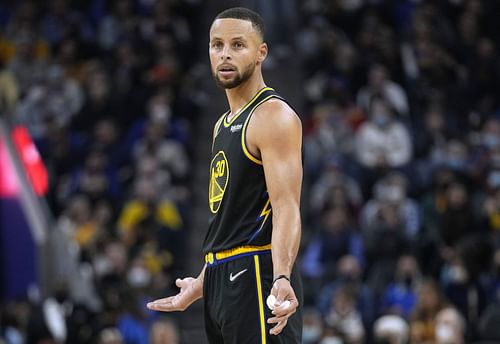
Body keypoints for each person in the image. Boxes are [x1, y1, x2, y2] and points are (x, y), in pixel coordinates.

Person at [147, 7, 303, 343]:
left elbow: (287, 206)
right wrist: (204, 279)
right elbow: (231, 216)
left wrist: (282, 276)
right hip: (221, 279)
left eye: (237, 45)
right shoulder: (222, 125)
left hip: (258, 276)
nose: (225, 54)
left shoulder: (273, 116)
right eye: (217, 45)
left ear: (261, 53)